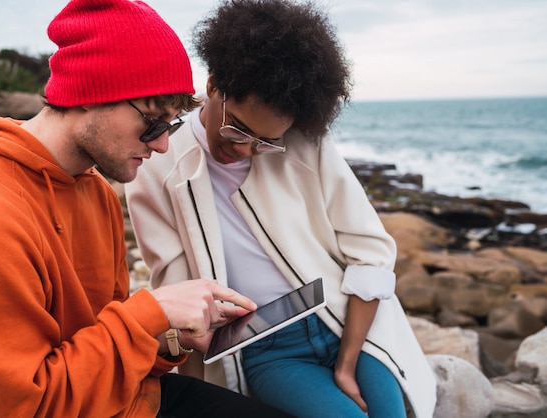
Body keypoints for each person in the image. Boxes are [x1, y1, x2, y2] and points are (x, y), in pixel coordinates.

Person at [0, 0, 296, 417]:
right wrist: (147, 313)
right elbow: (23, 408)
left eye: (170, 126)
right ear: (87, 93)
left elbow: (101, 339)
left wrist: (170, 335)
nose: (162, 145)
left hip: (126, 400)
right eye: (152, 122)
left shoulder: (96, 190)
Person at [125, 0, 437, 417]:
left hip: (350, 322)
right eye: (238, 127)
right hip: (265, 349)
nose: (244, 149)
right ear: (214, 84)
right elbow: (180, 294)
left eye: (263, 142)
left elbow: (372, 255)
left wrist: (346, 365)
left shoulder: (306, 143)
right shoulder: (157, 167)